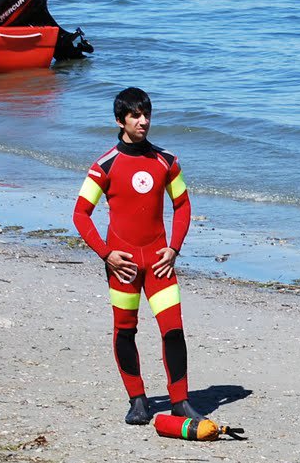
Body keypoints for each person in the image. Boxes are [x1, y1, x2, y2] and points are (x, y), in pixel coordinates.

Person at [73, 88, 203, 425]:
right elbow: (81, 214)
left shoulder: (167, 161)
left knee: (173, 330)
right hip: (123, 266)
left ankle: (180, 401)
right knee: (125, 330)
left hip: (159, 263)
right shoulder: (105, 165)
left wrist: (173, 248)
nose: (143, 120)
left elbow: (183, 205)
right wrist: (106, 254)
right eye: (135, 115)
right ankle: (137, 400)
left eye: (146, 113)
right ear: (120, 120)